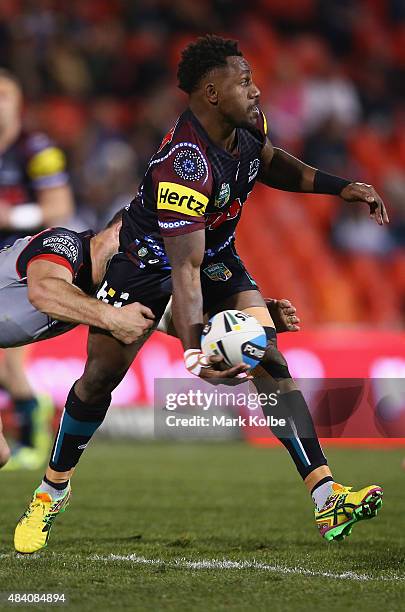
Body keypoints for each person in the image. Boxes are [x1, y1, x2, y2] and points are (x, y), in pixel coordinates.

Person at [14, 35, 389, 553]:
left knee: (266, 356)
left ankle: (327, 496)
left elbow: (270, 161)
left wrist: (338, 186)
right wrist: (195, 355)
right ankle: (51, 490)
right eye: (244, 82)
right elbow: (182, 272)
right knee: (99, 380)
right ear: (211, 93)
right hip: (145, 266)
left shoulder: (247, 126)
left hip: (216, 256)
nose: (256, 91)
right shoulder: (185, 166)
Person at [0, 209, 299, 466]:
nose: (142, 261)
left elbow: (171, 320)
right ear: (119, 231)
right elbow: (44, 292)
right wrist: (112, 317)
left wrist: (249, 327)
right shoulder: (63, 243)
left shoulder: (106, 291)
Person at [0, 69, 73, 470]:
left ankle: (30, 438)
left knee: (12, 366)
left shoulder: (36, 149)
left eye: (4, 94)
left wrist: (11, 214)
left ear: (18, 102)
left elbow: (60, 209)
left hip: (25, 264)